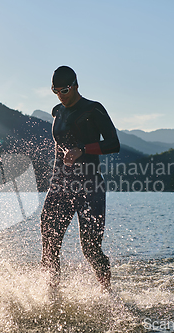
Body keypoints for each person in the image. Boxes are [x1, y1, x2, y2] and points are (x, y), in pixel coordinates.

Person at [40, 65, 120, 292]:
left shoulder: (94, 109)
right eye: (56, 91)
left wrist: (82, 149)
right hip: (60, 187)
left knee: (91, 249)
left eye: (64, 90)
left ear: (75, 84)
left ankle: (107, 293)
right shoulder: (57, 111)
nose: (61, 96)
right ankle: (51, 293)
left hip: (90, 188)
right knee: (49, 242)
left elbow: (114, 144)